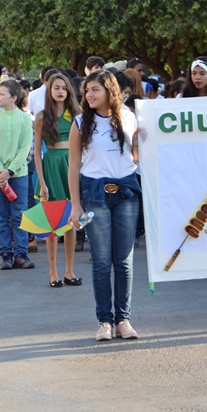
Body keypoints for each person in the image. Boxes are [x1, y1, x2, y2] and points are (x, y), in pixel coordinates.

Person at [68, 70, 141, 341]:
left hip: (126, 191)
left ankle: (123, 319)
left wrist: (136, 145)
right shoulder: (79, 122)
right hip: (94, 192)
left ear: (110, 90)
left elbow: (134, 158)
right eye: (87, 90)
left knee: (124, 260)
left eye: (95, 89)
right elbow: (74, 165)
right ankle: (104, 321)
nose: (89, 94)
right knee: (100, 260)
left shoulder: (130, 117)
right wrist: (75, 205)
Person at [35, 73, 82, 287]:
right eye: (56, 87)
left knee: (72, 223)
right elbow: (36, 152)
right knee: (53, 226)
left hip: (72, 166)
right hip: (51, 166)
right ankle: (53, 273)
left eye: (64, 87)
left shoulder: (76, 114)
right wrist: (42, 182)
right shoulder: (42, 117)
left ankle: (69, 272)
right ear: (49, 90)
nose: (60, 91)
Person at [0, 79, 35, 270]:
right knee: (0, 215)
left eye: (1, 94)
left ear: (14, 97)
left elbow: (25, 148)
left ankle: (21, 253)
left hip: (18, 175)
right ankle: (5, 253)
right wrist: (0, 171)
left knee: (20, 215)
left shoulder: (25, 119)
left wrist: (10, 170)